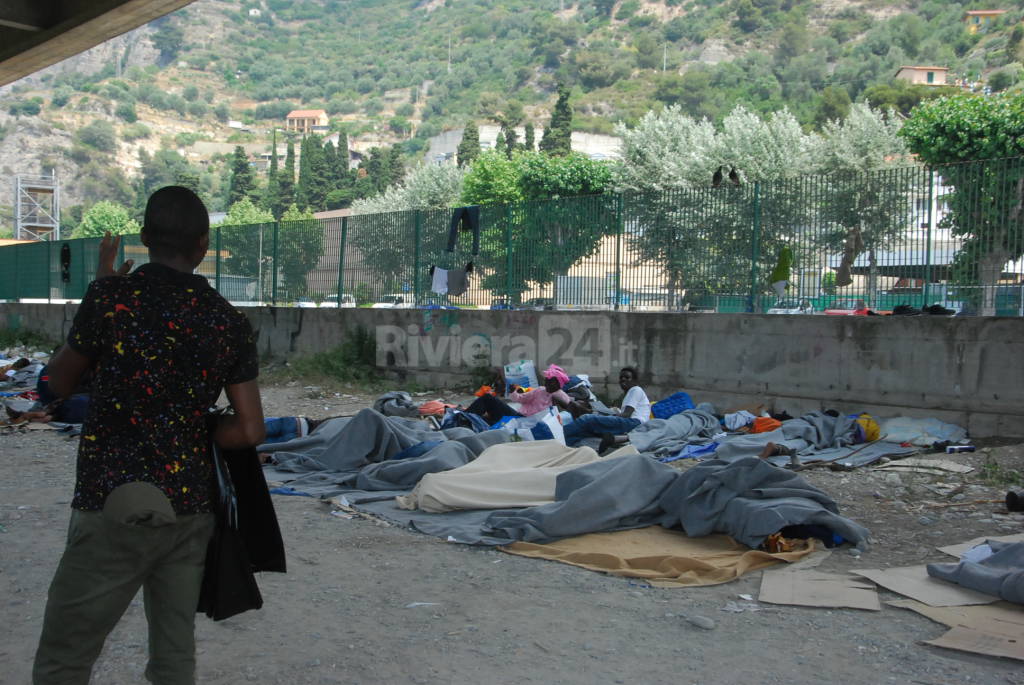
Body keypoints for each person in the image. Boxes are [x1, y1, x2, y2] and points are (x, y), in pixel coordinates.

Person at [33, 186, 266, 685]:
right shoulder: (229, 322)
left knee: (65, 658)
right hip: (189, 507)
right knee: (174, 655)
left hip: (111, 501)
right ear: (203, 245)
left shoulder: (112, 300)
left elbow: (55, 383)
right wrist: (197, 430)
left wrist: (100, 295)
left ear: (144, 238)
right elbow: (248, 430)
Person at [465, 363, 583, 424]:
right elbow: (521, 399)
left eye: (551, 382)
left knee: (487, 398)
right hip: (520, 418)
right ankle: (465, 417)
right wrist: (513, 392)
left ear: (559, 385)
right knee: (488, 401)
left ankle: (463, 418)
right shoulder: (540, 390)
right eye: (547, 380)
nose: (547, 383)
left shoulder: (560, 395)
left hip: (526, 423)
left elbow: (570, 407)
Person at [563, 367, 651, 448]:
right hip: (631, 423)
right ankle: (565, 442)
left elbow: (626, 415)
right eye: (621, 378)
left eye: (627, 377)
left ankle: (558, 436)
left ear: (634, 381)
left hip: (633, 423)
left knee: (587, 419)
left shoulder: (635, 389)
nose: (623, 379)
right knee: (587, 429)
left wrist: (607, 416)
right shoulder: (631, 393)